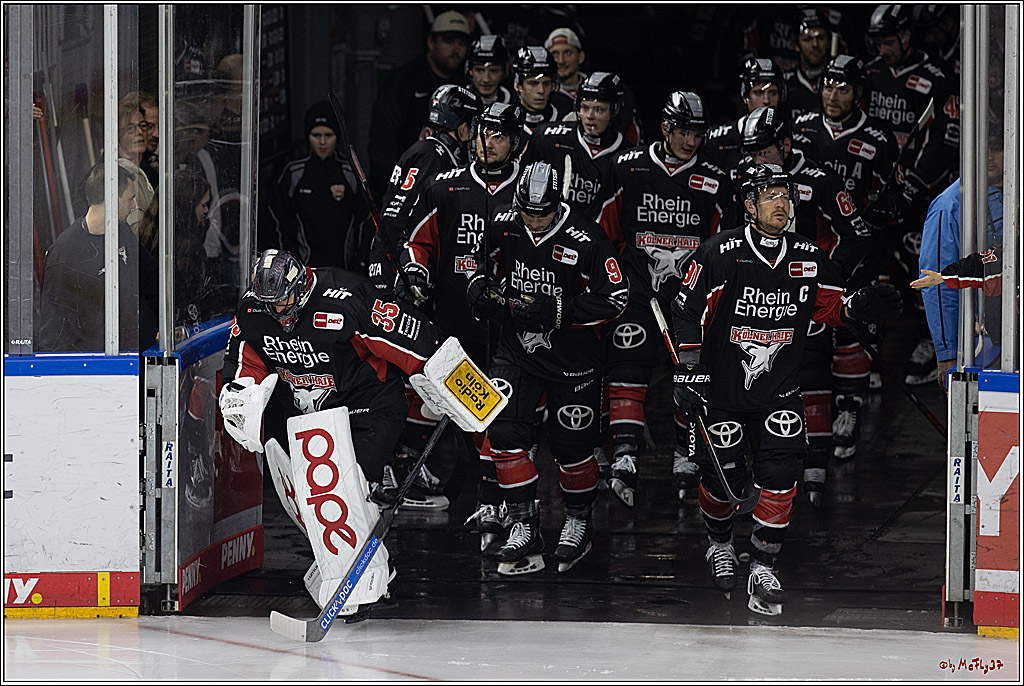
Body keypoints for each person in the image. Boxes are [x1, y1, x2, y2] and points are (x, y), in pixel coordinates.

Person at [670, 163, 902, 615]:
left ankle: (762, 564)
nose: (782, 203)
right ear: (749, 204)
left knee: (780, 476)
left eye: (786, 195)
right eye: (771, 195)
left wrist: (856, 307)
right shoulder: (719, 253)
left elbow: (829, 307)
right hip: (722, 392)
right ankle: (719, 543)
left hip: (778, 392)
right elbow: (688, 313)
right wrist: (688, 371)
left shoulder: (808, 256)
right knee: (722, 482)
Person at [467, 161, 628, 574]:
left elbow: (616, 298)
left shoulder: (588, 237)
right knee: (502, 430)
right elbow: (480, 263)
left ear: (560, 204)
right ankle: (524, 523)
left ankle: (578, 521)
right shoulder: (502, 220)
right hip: (517, 349)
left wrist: (557, 310)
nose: (535, 221)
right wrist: (480, 287)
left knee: (573, 449)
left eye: (544, 213)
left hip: (574, 358)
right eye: (528, 212)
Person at [592, 91, 734, 506]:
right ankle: (625, 454)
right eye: (683, 131)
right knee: (627, 362)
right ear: (666, 128)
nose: (691, 141)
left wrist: (699, 286)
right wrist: (619, 279)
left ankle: (686, 452)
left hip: (688, 297)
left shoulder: (713, 180)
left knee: (690, 374)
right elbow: (605, 231)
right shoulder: (628, 168)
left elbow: (720, 244)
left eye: (698, 133)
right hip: (637, 291)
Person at [396, 101, 526, 523]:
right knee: (458, 403)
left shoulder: (527, 191)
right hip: (454, 325)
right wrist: (414, 272)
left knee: (500, 413)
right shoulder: (446, 187)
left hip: (508, 329)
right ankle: (411, 474)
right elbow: (417, 242)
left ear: (515, 143)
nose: (488, 143)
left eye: (499, 136)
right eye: (484, 133)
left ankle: (495, 498)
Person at [738, 106, 872, 501]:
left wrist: (824, 277)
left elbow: (857, 235)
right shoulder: (744, 180)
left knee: (812, 371)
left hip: (806, 297)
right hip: (759, 297)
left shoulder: (820, 180)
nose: (757, 160)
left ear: (786, 144)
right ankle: (764, 468)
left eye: (764, 151)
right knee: (754, 374)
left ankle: (816, 465)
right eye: (751, 152)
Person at [370, 83, 481, 508]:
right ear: (462, 125)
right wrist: (407, 272)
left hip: (398, 270)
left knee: (415, 373)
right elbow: (399, 219)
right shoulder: (433, 157)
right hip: (399, 275)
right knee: (403, 373)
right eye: (473, 124)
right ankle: (392, 470)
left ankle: (401, 465)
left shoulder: (429, 151)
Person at [792, 54, 902, 459]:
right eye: (828, 85)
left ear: (859, 93)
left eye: (843, 87)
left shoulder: (877, 137)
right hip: (804, 247)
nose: (833, 94)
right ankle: (808, 410)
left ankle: (849, 408)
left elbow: (899, 193)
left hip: (853, 247)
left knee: (848, 326)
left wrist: (881, 206)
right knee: (806, 331)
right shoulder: (800, 130)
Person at [863, 4, 960, 386]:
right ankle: (869, 349)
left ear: (906, 35)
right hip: (881, 193)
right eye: (878, 42)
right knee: (878, 264)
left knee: (926, 267)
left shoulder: (936, 77)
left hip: (922, 197)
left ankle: (931, 340)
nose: (883, 49)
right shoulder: (869, 74)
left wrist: (911, 187)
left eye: (889, 41)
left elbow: (946, 141)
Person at [916, 130, 1004, 390]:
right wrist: (947, 353)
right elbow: (937, 284)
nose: (988, 156)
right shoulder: (950, 204)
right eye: (981, 148)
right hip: (981, 344)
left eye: (997, 147)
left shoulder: (1015, 193)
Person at [38, 164, 158, 353]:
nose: (134, 205)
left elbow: (152, 279)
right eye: (130, 198)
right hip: (95, 369)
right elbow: (53, 334)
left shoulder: (122, 232)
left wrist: (159, 325)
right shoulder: (63, 254)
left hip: (132, 357)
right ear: (110, 198)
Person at [368, 10, 471, 197]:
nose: (455, 49)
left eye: (461, 42)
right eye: (448, 41)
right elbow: (382, 139)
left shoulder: (466, 83)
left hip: (452, 186)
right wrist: (392, 186)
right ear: (431, 42)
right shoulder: (405, 81)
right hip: (407, 183)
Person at [267, 101, 369, 271]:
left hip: (344, 268)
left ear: (337, 136)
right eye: (316, 135)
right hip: (303, 269)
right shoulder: (293, 173)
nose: (322, 142)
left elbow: (364, 220)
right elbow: (279, 220)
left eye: (328, 135)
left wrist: (360, 259)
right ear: (308, 136)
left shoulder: (351, 172)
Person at [523, 72, 630, 216]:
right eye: (585, 108)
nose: (590, 116)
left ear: (614, 110)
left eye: (599, 110)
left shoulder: (628, 157)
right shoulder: (547, 137)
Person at [704, 58, 788, 178]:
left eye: (773, 93)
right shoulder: (715, 141)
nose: (766, 100)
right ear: (745, 96)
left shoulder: (789, 138)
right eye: (758, 93)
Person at [782, 10, 833, 121]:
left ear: (829, 42)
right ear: (796, 45)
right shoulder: (784, 85)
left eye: (820, 38)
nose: (815, 44)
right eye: (808, 39)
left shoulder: (839, 85)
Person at [116, 94, 157, 231]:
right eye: (130, 128)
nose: (139, 132)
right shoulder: (120, 176)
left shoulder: (145, 171)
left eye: (142, 125)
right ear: (116, 136)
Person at [512, 46, 575, 135]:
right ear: (517, 85)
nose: (541, 91)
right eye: (533, 83)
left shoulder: (566, 116)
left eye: (546, 84)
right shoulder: (506, 119)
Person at [466, 35, 515, 106]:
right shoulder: (456, 100)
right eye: (480, 70)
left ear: (504, 72)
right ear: (470, 71)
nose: (486, 79)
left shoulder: (515, 102)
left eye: (494, 71)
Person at [544, 27, 587, 101]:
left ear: (580, 57)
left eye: (567, 53)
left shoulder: (596, 89)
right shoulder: (543, 94)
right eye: (555, 54)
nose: (561, 61)